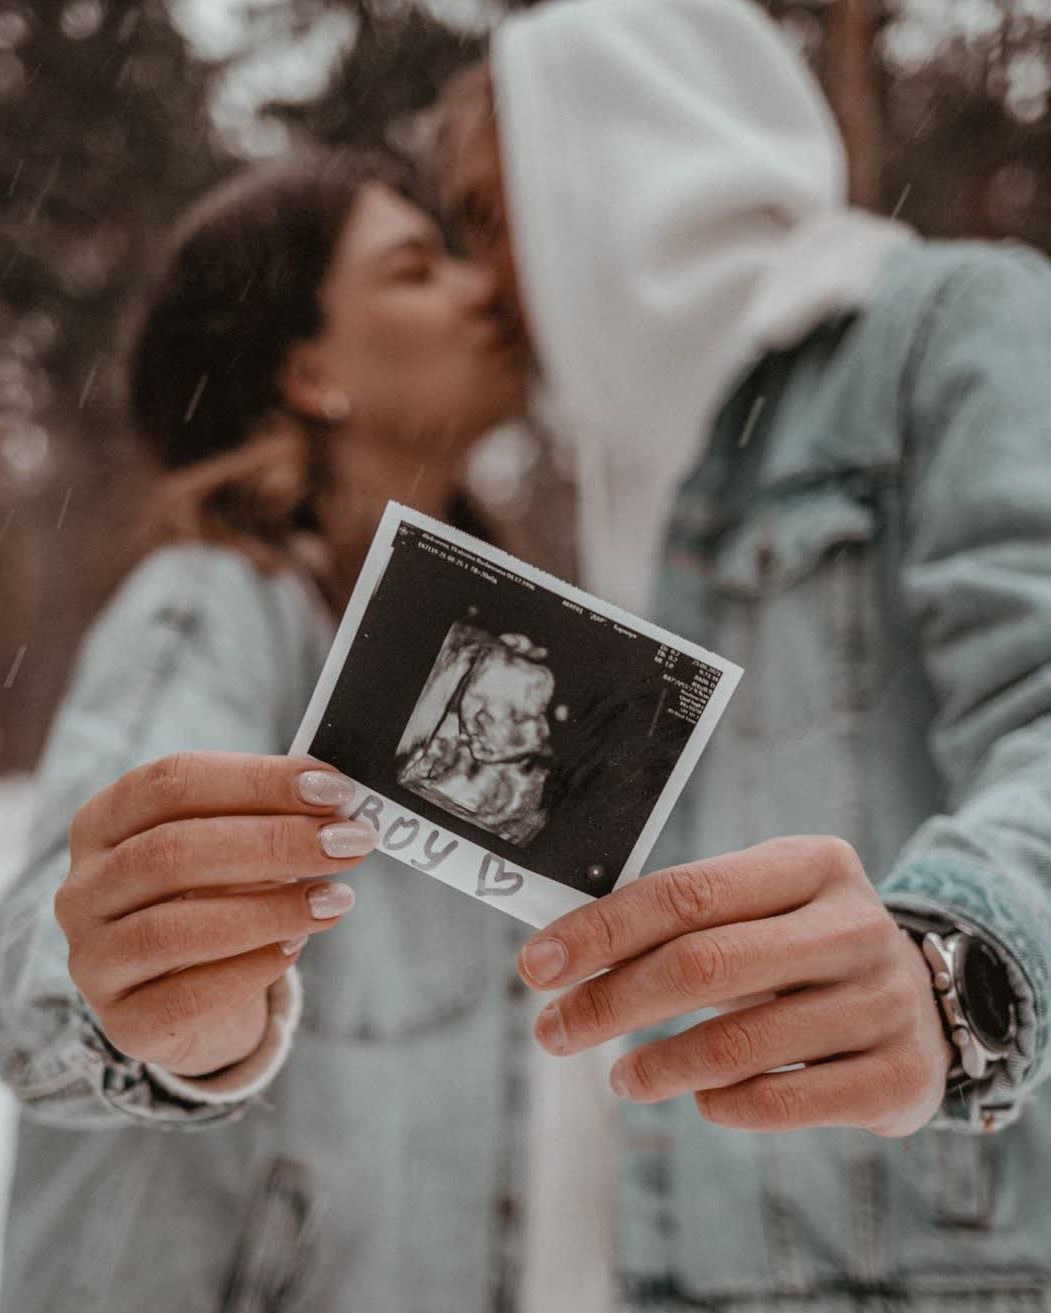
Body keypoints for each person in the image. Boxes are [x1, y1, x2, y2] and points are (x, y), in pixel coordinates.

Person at [431, 0, 1051, 1308]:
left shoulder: (949, 328)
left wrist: (951, 959)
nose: (484, 283)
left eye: (489, 217)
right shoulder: (612, 472)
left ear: (606, 168)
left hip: (919, 1266)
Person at [0, 148, 537, 1312]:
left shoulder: (491, 656)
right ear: (307, 369)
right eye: (416, 269)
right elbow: (54, 968)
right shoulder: (210, 604)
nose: (480, 289)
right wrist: (168, 1007)